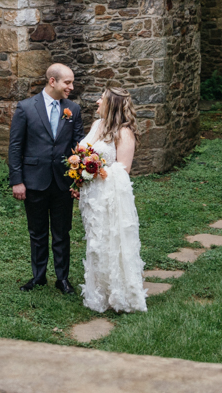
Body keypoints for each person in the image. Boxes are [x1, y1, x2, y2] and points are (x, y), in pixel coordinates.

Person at [8, 62, 84, 294]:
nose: (71, 87)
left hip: (62, 182)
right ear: (53, 81)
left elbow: (78, 147)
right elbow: (15, 147)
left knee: (62, 233)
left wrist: (78, 180)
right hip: (34, 181)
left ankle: (62, 279)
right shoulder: (26, 108)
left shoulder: (73, 109)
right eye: (67, 82)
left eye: (71, 82)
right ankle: (38, 276)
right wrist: (17, 180)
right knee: (37, 232)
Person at [76, 87, 147, 313]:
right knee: (95, 241)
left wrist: (96, 169)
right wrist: (79, 168)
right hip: (91, 196)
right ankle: (98, 292)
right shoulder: (97, 125)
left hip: (109, 196)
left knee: (110, 240)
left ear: (112, 104)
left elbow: (123, 169)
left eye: (102, 99)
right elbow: (83, 149)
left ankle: (118, 293)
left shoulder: (124, 132)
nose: (97, 101)